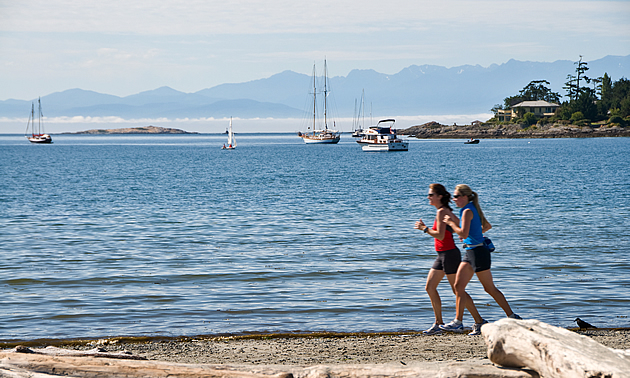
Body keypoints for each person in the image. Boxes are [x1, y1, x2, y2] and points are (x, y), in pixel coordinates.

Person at [440, 184, 521, 336]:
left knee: (489, 288)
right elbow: (486, 226)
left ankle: (513, 317)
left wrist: (451, 224)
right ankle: (459, 322)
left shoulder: (468, 210)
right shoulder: (469, 209)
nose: (454, 199)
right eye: (453, 196)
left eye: (456, 196)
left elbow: (463, 233)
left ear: (465, 197)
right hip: (470, 251)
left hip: (478, 253)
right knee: (458, 286)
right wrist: (473, 233)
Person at [415, 184, 484, 335]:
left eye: (431, 194)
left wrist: (424, 229)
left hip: (449, 255)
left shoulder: (442, 212)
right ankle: (438, 324)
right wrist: (459, 232)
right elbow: (459, 225)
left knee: (458, 291)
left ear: (439, 196)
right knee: (430, 287)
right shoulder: (444, 211)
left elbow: (440, 235)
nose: (429, 197)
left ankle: (479, 321)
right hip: (441, 255)